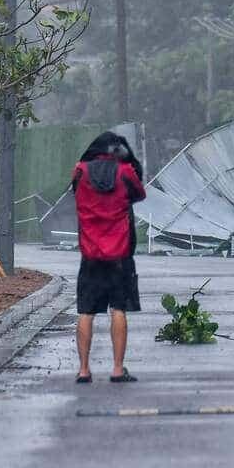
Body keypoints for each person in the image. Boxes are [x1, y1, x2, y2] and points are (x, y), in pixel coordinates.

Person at [72, 132, 146, 384]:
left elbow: (75, 192)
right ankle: (117, 368)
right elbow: (139, 193)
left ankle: (84, 370)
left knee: (86, 311)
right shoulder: (124, 172)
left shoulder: (80, 171)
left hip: (90, 254)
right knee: (118, 309)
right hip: (120, 254)